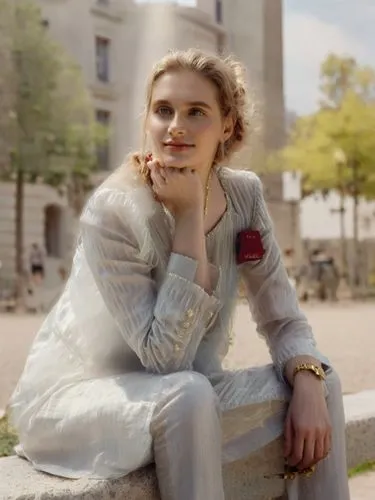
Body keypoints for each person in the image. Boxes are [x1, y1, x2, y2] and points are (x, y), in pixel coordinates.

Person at [9, 49, 350, 500]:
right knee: (187, 393)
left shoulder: (243, 196)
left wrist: (307, 375)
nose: (176, 126)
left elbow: (282, 318)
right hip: (80, 404)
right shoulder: (115, 209)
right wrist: (189, 219)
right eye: (163, 110)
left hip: (193, 400)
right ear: (147, 118)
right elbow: (165, 361)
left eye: (196, 112)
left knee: (322, 382)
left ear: (227, 124)